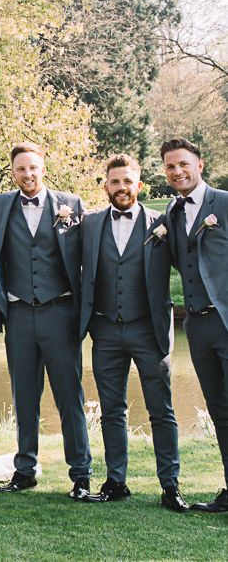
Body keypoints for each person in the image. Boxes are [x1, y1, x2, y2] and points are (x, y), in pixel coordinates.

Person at [80, 154, 188, 512]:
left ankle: (170, 486)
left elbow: (193, 257)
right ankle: (115, 481)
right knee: (112, 410)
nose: (122, 188)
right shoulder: (90, 224)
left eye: (128, 182)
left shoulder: (164, 223)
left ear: (139, 185)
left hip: (149, 329)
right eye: (115, 182)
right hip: (106, 329)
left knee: (162, 410)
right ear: (106, 186)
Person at [0, 142, 92, 499]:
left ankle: (80, 475)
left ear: (42, 168)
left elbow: (91, 250)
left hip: (60, 313)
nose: (27, 175)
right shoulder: (1, 205)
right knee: (24, 397)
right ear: (12, 173)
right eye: (20, 170)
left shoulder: (71, 205)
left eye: (32, 168)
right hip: (18, 317)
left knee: (68, 396)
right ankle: (25, 470)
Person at [161, 137, 228, 513]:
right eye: (170, 167)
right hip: (198, 327)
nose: (177, 172)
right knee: (220, 411)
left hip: (226, 320)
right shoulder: (171, 212)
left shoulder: (225, 202)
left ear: (199, 164)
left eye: (183, 164)